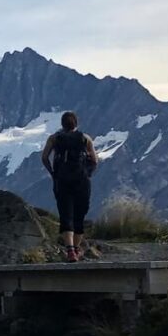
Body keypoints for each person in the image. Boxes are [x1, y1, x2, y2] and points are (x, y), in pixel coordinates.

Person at [40, 111, 100, 262]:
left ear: (62, 124)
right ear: (76, 123)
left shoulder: (54, 139)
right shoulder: (85, 139)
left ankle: (70, 251)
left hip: (62, 181)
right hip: (81, 182)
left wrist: (53, 173)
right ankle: (77, 248)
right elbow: (95, 160)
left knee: (66, 214)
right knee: (79, 214)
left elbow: (44, 157)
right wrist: (87, 173)